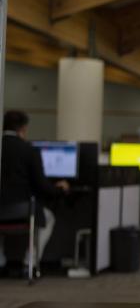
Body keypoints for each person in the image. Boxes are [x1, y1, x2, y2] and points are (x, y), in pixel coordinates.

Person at [0, 110, 69, 270]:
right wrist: (59, 189)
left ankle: (1, 259)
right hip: (22, 210)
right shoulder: (28, 150)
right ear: (23, 129)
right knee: (48, 217)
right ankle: (29, 261)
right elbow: (42, 186)